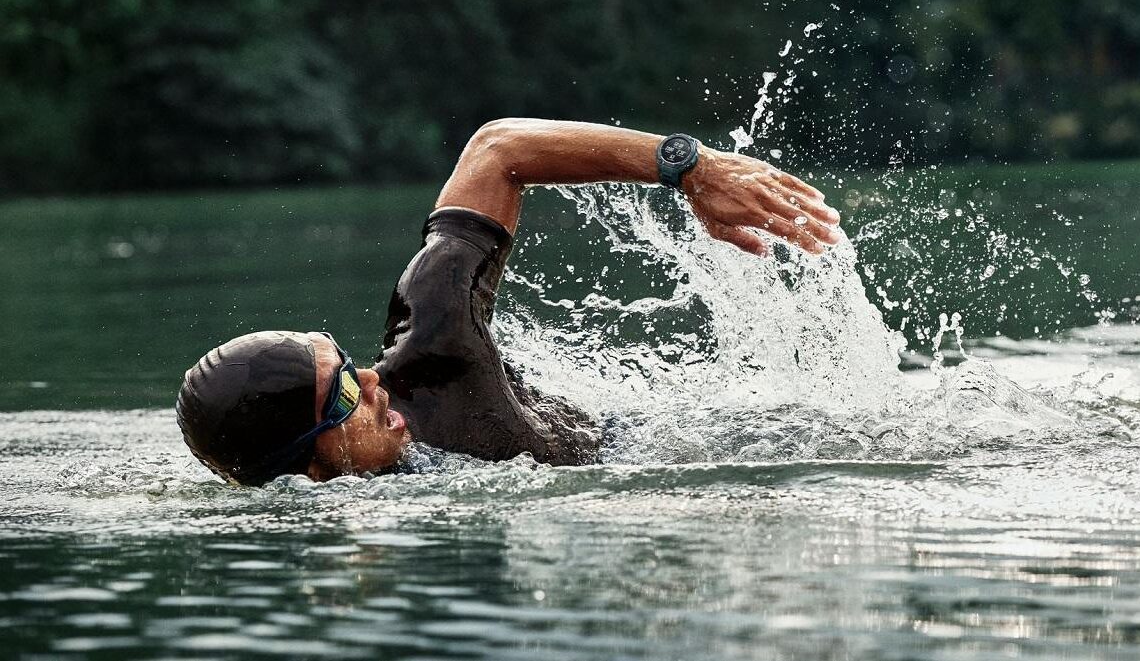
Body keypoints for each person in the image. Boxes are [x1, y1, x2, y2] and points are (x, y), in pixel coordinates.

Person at [176, 118, 842, 485]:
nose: (373, 380)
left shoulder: (437, 349)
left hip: (652, 443)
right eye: (345, 394)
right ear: (306, 468)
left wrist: (689, 167)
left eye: (350, 364)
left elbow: (498, 150)